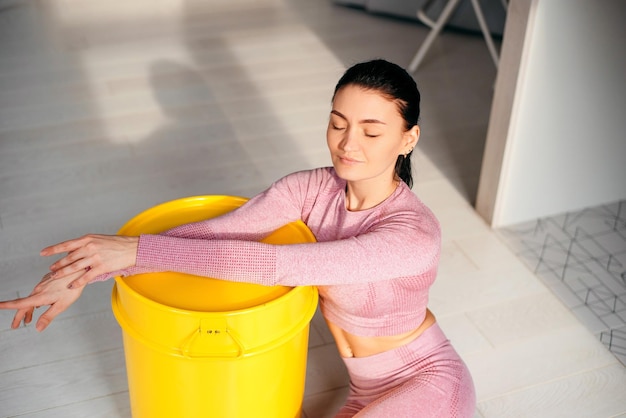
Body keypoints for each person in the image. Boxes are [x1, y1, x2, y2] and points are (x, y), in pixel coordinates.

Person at [0, 59, 476, 417]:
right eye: (338, 123)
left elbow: (277, 265)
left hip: (427, 382)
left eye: (372, 132)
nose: (348, 144)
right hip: (362, 391)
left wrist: (133, 250)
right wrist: (89, 270)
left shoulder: (413, 234)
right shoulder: (311, 188)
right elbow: (215, 233)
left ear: (408, 139)